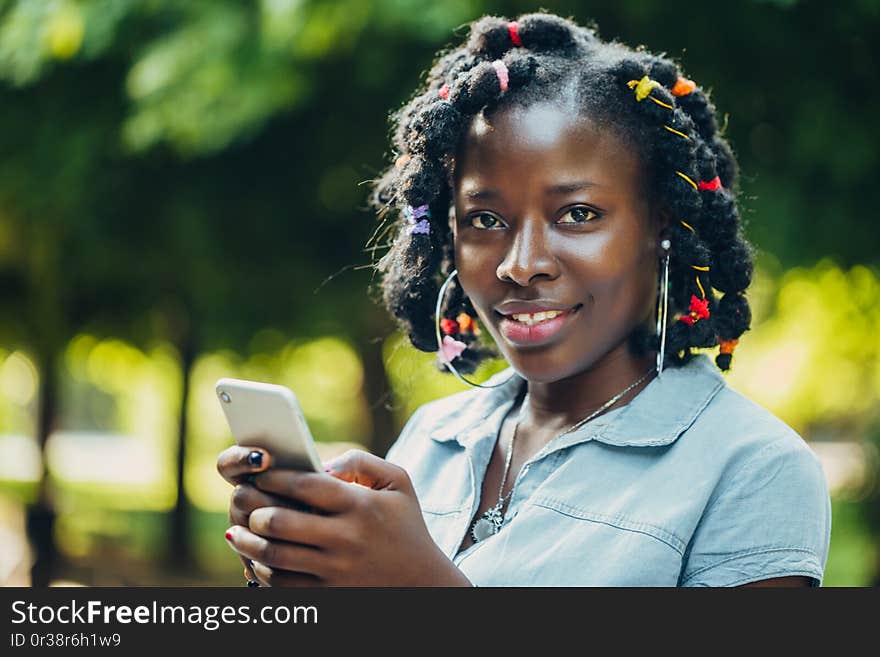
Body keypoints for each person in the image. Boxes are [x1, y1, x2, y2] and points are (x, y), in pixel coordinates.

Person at [217, 12, 831, 586]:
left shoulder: (754, 470)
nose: (521, 265)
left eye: (578, 214)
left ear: (662, 226)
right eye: (484, 220)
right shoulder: (433, 438)